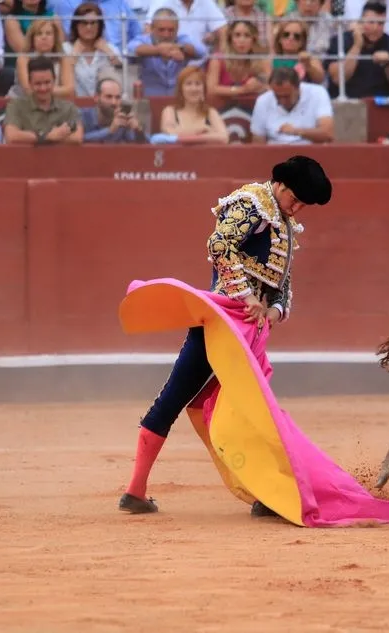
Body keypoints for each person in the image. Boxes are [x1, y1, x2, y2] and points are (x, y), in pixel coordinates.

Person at [119, 155, 333, 518]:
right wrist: (247, 297)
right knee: (198, 401)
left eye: (303, 205)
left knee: (239, 406)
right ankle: (136, 491)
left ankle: (262, 491)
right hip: (220, 324)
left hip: (247, 331)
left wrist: (274, 310)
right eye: (295, 199)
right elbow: (219, 244)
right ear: (280, 184)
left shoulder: (282, 222)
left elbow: (281, 282)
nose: (296, 208)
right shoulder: (252, 203)